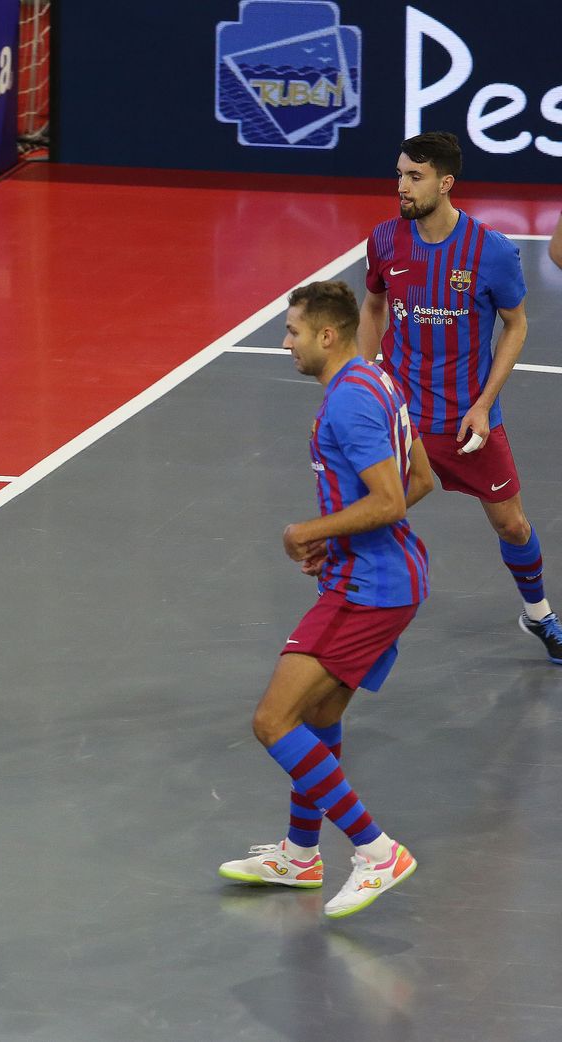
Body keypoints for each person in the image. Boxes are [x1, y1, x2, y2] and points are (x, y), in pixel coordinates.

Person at [219, 281, 434, 919]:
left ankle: (374, 850)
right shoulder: (377, 381)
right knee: (317, 717)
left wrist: (305, 534)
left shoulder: (348, 404)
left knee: (272, 721)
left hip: (368, 590)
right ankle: (300, 853)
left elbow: (393, 499)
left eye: (292, 332)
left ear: (327, 335)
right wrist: (338, 536)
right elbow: (423, 478)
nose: (284, 343)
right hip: (382, 577)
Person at [356, 131, 561, 664]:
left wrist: (482, 405)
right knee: (369, 518)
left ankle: (540, 615)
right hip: (402, 421)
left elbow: (515, 326)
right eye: (399, 174)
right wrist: (362, 381)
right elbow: (373, 307)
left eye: (414, 177)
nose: (402, 186)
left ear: (446, 184)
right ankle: (352, 626)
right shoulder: (384, 240)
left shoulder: (491, 251)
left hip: (468, 424)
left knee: (513, 524)